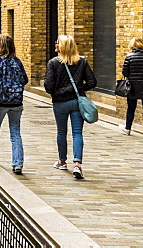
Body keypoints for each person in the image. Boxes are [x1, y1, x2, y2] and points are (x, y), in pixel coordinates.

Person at [44, 35, 97, 180]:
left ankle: (62, 161)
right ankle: (78, 164)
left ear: (62, 47)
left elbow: (48, 86)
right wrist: (80, 89)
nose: (55, 45)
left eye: (58, 43)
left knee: (61, 132)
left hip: (60, 102)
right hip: (76, 101)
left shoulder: (53, 63)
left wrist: (57, 91)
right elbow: (92, 82)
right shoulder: (82, 62)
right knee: (77, 133)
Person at [0, 34, 28, 174]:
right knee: (15, 132)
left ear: (1, 45)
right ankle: (18, 163)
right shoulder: (17, 61)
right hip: (16, 102)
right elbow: (24, 80)